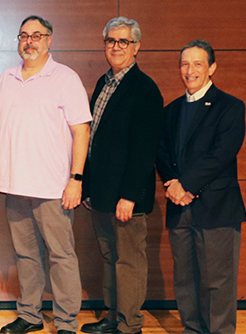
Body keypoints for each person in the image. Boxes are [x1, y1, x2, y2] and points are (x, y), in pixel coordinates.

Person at [0, 15, 91, 334]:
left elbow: (82, 131)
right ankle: (30, 314)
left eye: (36, 35)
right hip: (13, 187)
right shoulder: (6, 78)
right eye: (24, 35)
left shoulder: (65, 78)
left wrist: (76, 179)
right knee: (26, 255)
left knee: (61, 256)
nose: (29, 41)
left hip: (53, 189)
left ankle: (66, 322)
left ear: (49, 40)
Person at [156, 39, 246, 334]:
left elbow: (222, 153)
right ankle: (192, 329)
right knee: (185, 278)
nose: (190, 70)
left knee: (217, 280)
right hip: (179, 207)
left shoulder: (230, 106)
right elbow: (162, 152)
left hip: (216, 208)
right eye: (184, 64)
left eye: (197, 64)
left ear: (212, 68)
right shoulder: (170, 111)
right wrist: (173, 184)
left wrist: (187, 185)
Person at [80, 17, 163, 334]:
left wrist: (128, 195)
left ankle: (130, 326)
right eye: (110, 41)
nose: (116, 47)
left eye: (123, 42)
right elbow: (93, 141)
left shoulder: (144, 90)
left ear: (137, 47)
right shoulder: (104, 84)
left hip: (127, 198)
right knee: (111, 258)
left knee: (128, 262)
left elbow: (144, 150)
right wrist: (88, 187)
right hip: (101, 194)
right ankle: (114, 318)